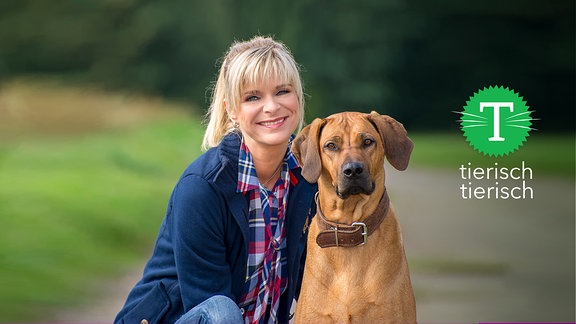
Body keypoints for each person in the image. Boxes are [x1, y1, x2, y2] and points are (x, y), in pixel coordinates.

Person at [114, 36, 317, 324]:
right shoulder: (202, 187)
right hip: (182, 318)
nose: (271, 107)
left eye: (282, 91)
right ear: (231, 110)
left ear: (297, 97)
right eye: (253, 97)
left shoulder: (308, 177)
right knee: (222, 311)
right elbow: (207, 306)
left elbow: (317, 282)